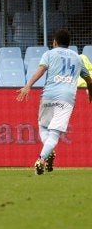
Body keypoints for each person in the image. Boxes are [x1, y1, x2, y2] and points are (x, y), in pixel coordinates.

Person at [16, 29, 92, 175]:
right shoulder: (77, 58)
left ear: (55, 42)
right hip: (67, 98)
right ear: (68, 44)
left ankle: (46, 154)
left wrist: (28, 85)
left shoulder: (49, 54)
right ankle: (42, 158)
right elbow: (88, 79)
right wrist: (91, 94)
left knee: (43, 127)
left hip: (49, 95)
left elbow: (41, 70)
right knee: (55, 133)